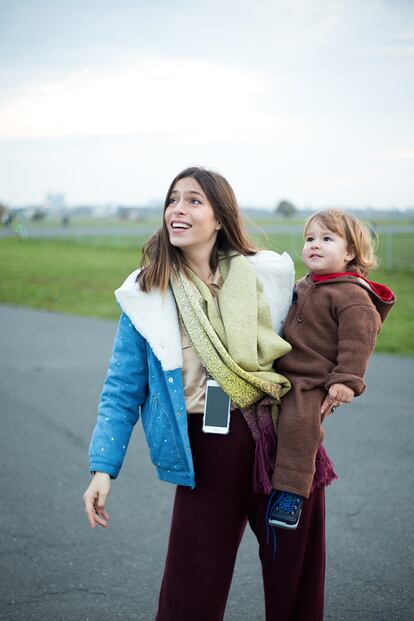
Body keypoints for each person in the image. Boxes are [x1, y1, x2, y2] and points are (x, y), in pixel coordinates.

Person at [83, 167, 336, 621]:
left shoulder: (269, 277)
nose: (178, 209)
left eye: (194, 200)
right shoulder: (148, 293)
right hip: (208, 448)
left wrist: (344, 377)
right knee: (190, 590)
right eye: (173, 199)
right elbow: (122, 387)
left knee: (296, 585)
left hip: (286, 442)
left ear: (220, 217)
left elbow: (328, 328)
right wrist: (104, 467)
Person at [268, 209, 396, 531]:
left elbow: (357, 343)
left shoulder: (353, 296)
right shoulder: (304, 284)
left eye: (327, 239)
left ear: (350, 252)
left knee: (300, 425)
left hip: (313, 380)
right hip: (281, 368)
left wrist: (346, 382)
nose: (315, 245)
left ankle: (290, 493)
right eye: (310, 239)